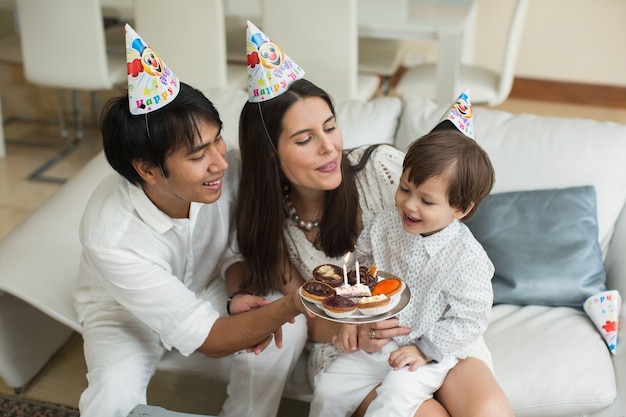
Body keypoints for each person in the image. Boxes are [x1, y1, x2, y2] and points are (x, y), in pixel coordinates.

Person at [233, 23, 514, 413]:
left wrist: (427, 346)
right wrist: (355, 324)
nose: (328, 147)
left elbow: (445, 211)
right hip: (357, 346)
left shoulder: (384, 171)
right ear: (269, 153)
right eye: (304, 139)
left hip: (438, 338)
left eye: (330, 127)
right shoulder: (276, 225)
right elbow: (327, 302)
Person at [72, 24, 308, 417]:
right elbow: (211, 340)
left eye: (217, 139)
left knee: (284, 330)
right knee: (111, 395)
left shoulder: (225, 168)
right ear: (147, 169)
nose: (220, 160)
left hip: (207, 284)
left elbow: (234, 250)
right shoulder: (110, 236)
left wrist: (235, 296)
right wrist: (298, 302)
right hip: (123, 311)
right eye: (198, 155)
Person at [311, 101, 498, 416]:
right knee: (330, 388)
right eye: (404, 189)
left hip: (431, 350)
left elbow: (471, 318)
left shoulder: (467, 257)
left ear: (461, 209)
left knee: (397, 395)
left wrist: (424, 351)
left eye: (426, 200)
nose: (409, 205)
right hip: (380, 339)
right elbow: (360, 268)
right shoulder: (386, 222)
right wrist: (350, 319)